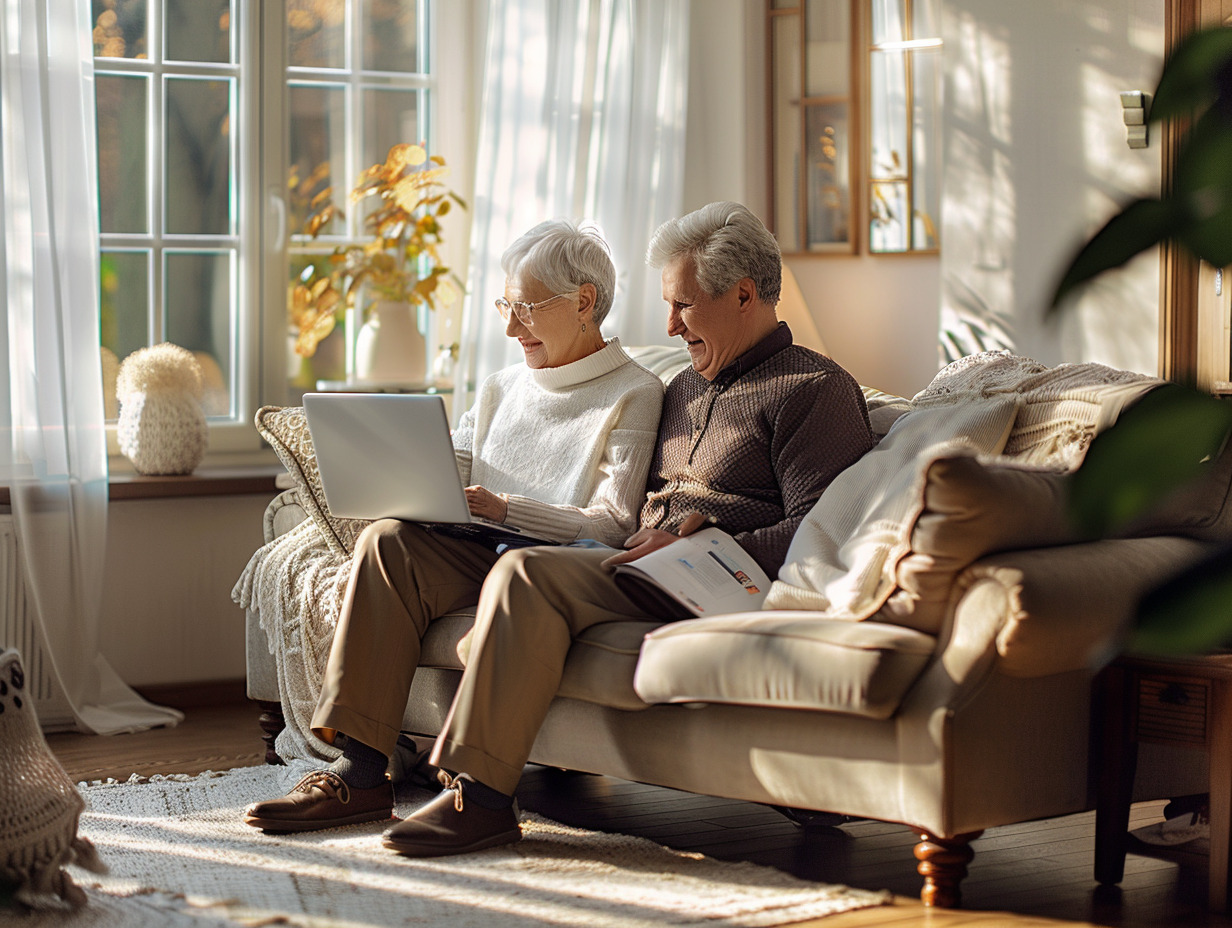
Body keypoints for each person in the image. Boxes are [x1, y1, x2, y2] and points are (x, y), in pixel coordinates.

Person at [378, 201, 877, 857]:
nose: (669, 325)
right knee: (460, 553)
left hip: (716, 578)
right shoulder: (685, 386)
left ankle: (480, 797)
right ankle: (378, 767)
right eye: (668, 306)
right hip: (643, 566)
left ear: (745, 295)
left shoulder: (813, 389)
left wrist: (704, 543)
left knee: (528, 573)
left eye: (685, 306)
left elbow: (818, 530)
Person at [243, 219, 665, 832]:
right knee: (386, 541)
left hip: (551, 561)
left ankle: (476, 795)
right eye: (505, 306)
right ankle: (359, 776)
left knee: (502, 562)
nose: (509, 327)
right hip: (476, 547)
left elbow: (610, 521)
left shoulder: (635, 390)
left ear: (584, 302)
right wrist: (402, 473)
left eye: (525, 308)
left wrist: (505, 509)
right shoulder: (502, 385)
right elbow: (456, 461)